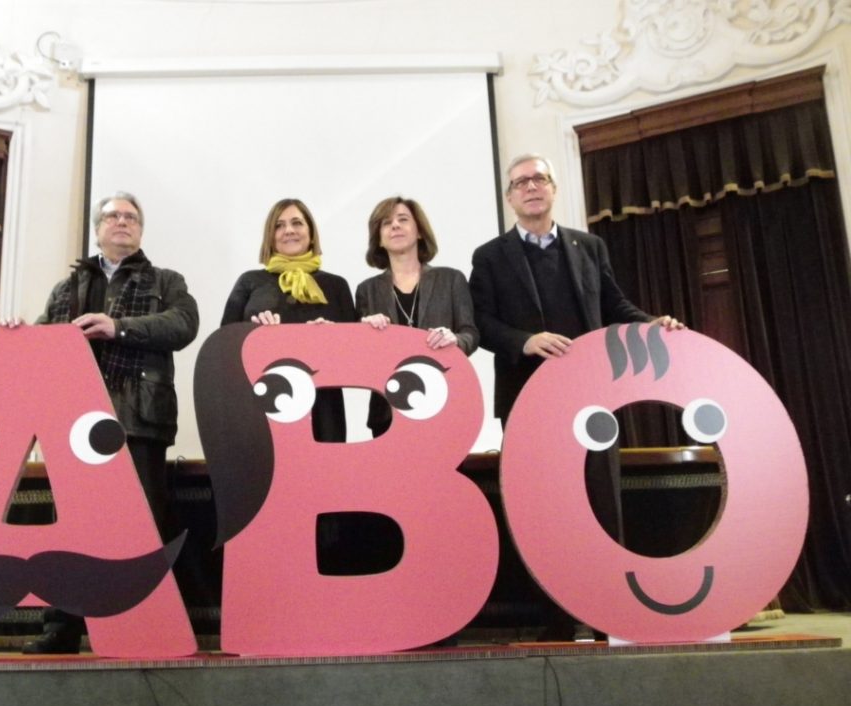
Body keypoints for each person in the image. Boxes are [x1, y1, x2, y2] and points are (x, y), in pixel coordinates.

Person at [469, 153, 683, 641]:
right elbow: (481, 324)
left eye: (539, 178)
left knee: (602, 506)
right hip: (528, 401)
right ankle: (557, 622)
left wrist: (650, 323)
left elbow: (613, 305)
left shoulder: (589, 246)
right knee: (544, 511)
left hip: (592, 400)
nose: (531, 187)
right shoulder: (489, 256)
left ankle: (610, 615)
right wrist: (525, 340)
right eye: (521, 182)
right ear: (509, 198)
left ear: (552, 188)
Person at [18, 190, 199, 654]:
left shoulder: (167, 279)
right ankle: (61, 629)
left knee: (140, 528)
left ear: (140, 229)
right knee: (71, 529)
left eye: (131, 217)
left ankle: (142, 626)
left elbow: (183, 324)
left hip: (138, 420)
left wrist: (118, 327)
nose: (122, 221)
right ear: (98, 228)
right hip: (74, 424)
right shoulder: (66, 288)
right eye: (113, 215)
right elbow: (45, 341)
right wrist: (24, 334)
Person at [221, 198, 356, 442]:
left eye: (297, 223)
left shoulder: (336, 286)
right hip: (265, 401)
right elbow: (225, 344)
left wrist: (332, 337)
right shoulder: (249, 281)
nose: (289, 230)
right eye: (279, 225)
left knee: (324, 476)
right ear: (270, 236)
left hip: (324, 408)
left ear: (311, 233)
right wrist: (256, 335)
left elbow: (354, 357)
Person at [356, 196, 479, 436]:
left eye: (403, 219)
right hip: (387, 411)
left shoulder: (451, 279)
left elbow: (471, 333)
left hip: (443, 405)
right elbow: (360, 356)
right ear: (378, 238)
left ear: (420, 232)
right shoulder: (366, 290)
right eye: (386, 223)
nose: (395, 226)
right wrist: (364, 332)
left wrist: (455, 339)